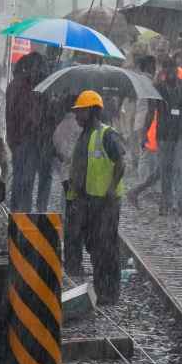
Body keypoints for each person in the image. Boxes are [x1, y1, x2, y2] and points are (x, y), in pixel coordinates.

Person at [64, 90, 126, 305]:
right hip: (88, 200)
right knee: (94, 246)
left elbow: (121, 162)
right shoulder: (85, 135)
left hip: (106, 203)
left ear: (91, 111)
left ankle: (109, 293)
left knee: (106, 248)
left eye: (80, 112)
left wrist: (111, 188)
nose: (77, 117)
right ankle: (102, 291)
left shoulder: (106, 134)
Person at [147, 57, 182, 216]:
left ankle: (180, 205)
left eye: (172, 69)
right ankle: (168, 204)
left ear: (176, 70)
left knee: (178, 170)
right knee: (168, 171)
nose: (169, 73)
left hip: (179, 134)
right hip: (165, 135)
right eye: (167, 69)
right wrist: (145, 133)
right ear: (163, 71)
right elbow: (151, 112)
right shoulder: (157, 89)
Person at [6, 52, 51, 211]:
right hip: (29, 141)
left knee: (23, 182)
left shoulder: (17, 85)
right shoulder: (25, 88)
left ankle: (22, 216)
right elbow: (30, 117)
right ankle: (28, 217)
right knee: (27, 182)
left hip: (25, 141)